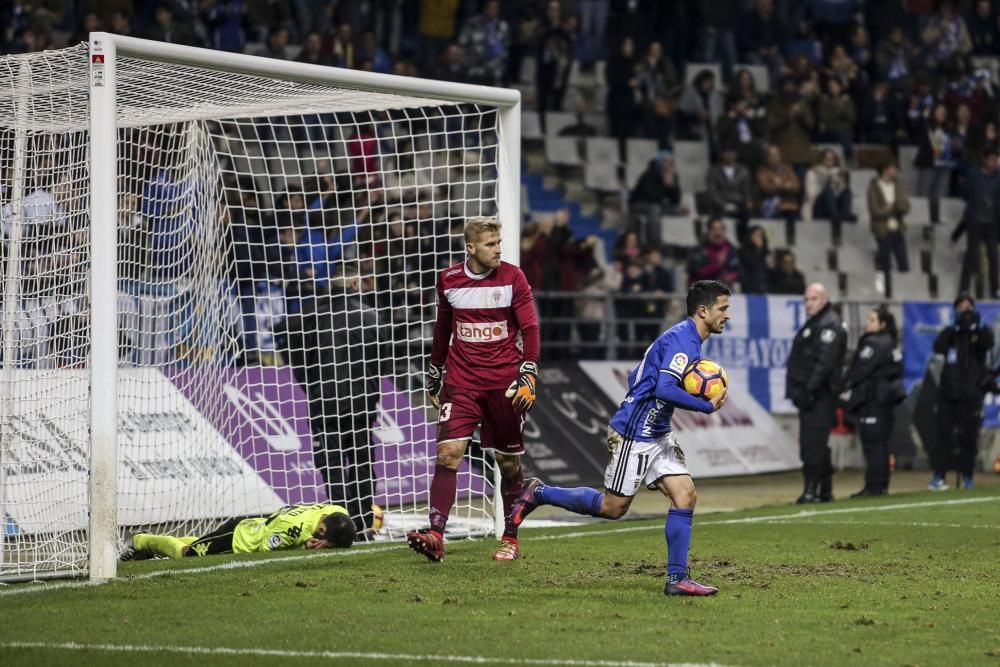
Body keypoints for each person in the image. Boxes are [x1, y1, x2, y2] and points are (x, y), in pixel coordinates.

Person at [509, 280, 731, 596]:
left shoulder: (685, 337)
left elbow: (637, 376)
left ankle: (677, 579)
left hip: (656, 431)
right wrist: (705, 405)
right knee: (613, 508)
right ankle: (539, 493)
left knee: (685, 495)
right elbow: (664, 389)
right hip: (636, 432)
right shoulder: (684, 341)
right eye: (723, 308)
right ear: (703, 310)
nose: (727, 315)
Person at [407, 217, 540, 562]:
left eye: (499, 242)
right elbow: (442, 329)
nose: (499, 249)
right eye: (491, 244)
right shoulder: (449, 280)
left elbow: (530, 327)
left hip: (504, 386)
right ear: (471, 248)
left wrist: (529, 370)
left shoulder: (513, 277)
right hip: (462, 382)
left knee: (508, 464)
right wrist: (436, 370)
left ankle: (510, 538)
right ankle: (436, 534)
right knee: (448, 453)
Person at [278, 267, 384, 533]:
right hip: (362, 402)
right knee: (362, 462)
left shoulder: (308, 318)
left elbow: (297, 362)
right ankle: (362, 523)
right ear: (355, 283)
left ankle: (340, 526)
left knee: (332, 465)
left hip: (324, 403)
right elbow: (383, 360)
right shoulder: (370, 316)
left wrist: (314, 388)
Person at [786, 283, 847, 504]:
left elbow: (824, 363)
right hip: (811, 394)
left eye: (813, 299)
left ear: (824, 299)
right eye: (806, 299)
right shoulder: (817, 323)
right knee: (815, 442)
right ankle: (824, 490)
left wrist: (808, 390)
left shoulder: (829, 324)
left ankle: (812, 489)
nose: (808, 303)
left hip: (819, 395)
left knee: (813, 443)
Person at [119, 503, 356, 560]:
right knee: (187, 554)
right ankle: (142, 540)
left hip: (256, 524)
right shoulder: (294, 530)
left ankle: (148, 544)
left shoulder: (335, 512)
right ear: (322, 530)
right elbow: (265, 549)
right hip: (240, 537)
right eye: (330, 546)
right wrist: (302, 547)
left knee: (203, 542)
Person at [930, 293, 994, 490]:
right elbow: (938, 347)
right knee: (943, 436)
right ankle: (939, 476)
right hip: (948, 394)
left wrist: (975, 328)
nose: (965, 312)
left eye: (968, 308)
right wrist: (955, 328)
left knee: (968, 438)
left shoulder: (981, 332)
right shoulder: (950, 333)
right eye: (961, 308)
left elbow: (988, 344)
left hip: (971, 394)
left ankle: (967, 476)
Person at [840, 306, 905, 498]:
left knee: (873, 443)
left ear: (882, 324)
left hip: (873, 399)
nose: (867, 323)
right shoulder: (892, 343)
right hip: (886, 399)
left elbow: (859, 371)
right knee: (881, 443)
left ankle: (874, 486)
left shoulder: (874, 343)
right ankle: (880, 484)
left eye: (872, 320)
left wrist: (844, 385)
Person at [868, 161, 911, 299]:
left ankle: (905, 294)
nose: (895, 172)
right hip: (882, 230)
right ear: (885, 170)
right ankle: (887, 294)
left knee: (903, 263)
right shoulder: (874, 187)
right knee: (885, 264)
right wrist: (892, 208)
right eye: (892, 169)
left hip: (898, 228)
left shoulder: (898, 185)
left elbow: (905, 205)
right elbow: (875, 211)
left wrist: (890, 207)